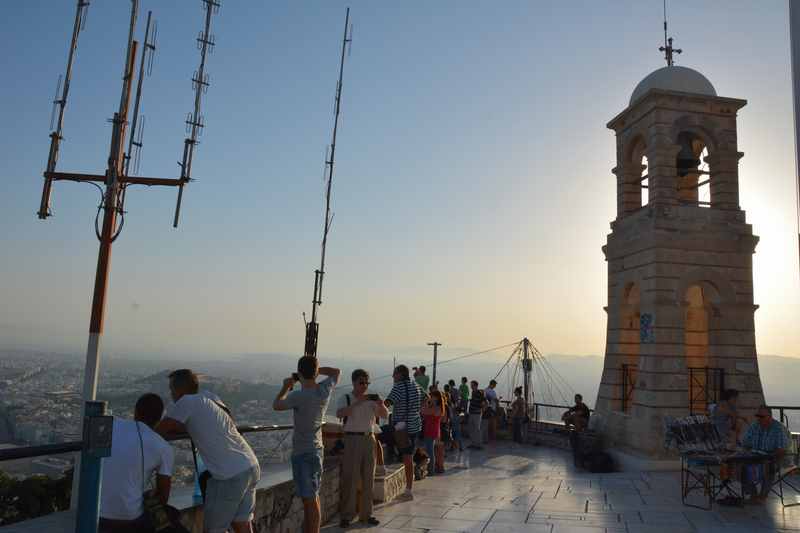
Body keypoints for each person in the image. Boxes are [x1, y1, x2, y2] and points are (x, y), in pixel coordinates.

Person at [157, 370, 260, 533]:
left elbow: (160, 430)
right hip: (250, 465)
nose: (171, 394)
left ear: (178, 390)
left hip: (229, 475)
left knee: (213, 530)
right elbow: (226, 423)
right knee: (242, 525)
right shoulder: (211, 398)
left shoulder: (186, 401)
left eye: (171, 389)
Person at [273, 356, 340, 533]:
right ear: (315, 372)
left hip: (303, 452)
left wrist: (286, 386)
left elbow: (276, 405)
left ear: (300, 372)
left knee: (308, 501)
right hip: (317, 449)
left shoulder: (298, 396)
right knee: (313, 496)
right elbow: (336, 372)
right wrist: (318, 371)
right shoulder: (323, 390)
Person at [99, 394, 174, 533]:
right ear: (159, 418)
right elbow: (163, 497)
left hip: (93, 513)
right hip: (129, 519)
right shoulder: (163, 447)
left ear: (135, 411)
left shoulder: (113, 424)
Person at [335, 369, 387, 528]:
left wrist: (380, 403)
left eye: (366, 383)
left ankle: (367, 514)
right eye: (361, 382)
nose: (364, 386)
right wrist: (359, 401)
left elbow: (385, 415)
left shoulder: (372, 400)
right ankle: (347, 515)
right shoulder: (346, 398)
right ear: (354, 382)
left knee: (368, 478)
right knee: (350, 478)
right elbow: (340, 413)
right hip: (352, 439)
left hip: (368, 438)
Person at [385, 364, 422, 500]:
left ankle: (408, 490)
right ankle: (409, 487)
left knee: (379, 437)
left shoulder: (398, 387)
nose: (393, 376)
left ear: (400, 374)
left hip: (402, 428)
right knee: (408, 456)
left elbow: (386, 404)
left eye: (394, 373)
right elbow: (424, 401)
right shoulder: (416, 386)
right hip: (414, 426)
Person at [742, 405, 789, 504]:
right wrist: (747, 452)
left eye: (762, 416)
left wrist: (770, 457)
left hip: (773, 456)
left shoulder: (778, 428)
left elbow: (782, 450)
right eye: (758, 416)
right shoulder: (755, 426)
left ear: (769, 417)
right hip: (755, 455)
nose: (759, 418)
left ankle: (763, 495)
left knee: (767, 467)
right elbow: (745, 442)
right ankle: (753, 494)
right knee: (742, 465)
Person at [421, 390, 445, 476]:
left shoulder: (436, 408)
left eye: (432, 396)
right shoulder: (436, 407)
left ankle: (431, 470)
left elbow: (423, 411)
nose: (431, 397)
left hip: (431, 430)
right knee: (430, 450)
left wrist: (425, 402)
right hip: (433, 430)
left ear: (436, 397)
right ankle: (431, 469)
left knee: (430, 451)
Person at [467, 381, 486, 449]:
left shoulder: (479, 393)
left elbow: (484, 402)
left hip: (477, 414)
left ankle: (479, 444)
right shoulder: (473, 392)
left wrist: (482, 410)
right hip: (471, 413)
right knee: (471, 429)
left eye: (472, 385)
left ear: (475, 386)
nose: (471, 386)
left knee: (477, 429)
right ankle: (473, 443)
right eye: (471, 385)